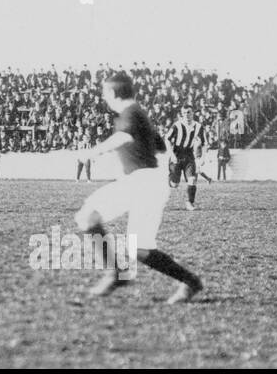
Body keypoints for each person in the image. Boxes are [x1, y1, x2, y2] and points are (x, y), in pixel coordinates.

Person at [74, 72, 204, 304]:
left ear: (113, 93)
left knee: (89, 217)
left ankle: (118, 273)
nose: (105, 98)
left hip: (143, 182)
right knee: (138, 247)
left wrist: (91, 153)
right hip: (145, 181)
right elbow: (160, 146)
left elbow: (122, 138)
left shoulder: (130, 113)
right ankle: (188, 282)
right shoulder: (138, 115)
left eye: (105, 94)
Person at [166, 107, 204, 210]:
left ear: (193, 113)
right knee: (174, 184)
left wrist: (201, 157)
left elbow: (202, 143)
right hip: (177, 154)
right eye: (184, 113)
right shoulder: (177, 125)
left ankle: (190, 203)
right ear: (181, 114)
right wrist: (172, 154)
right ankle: (169, 179)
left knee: (192, 179)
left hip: (189, 155)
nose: (186, 115)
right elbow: (167, 139)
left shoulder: (199, 126)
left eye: (189, 112)